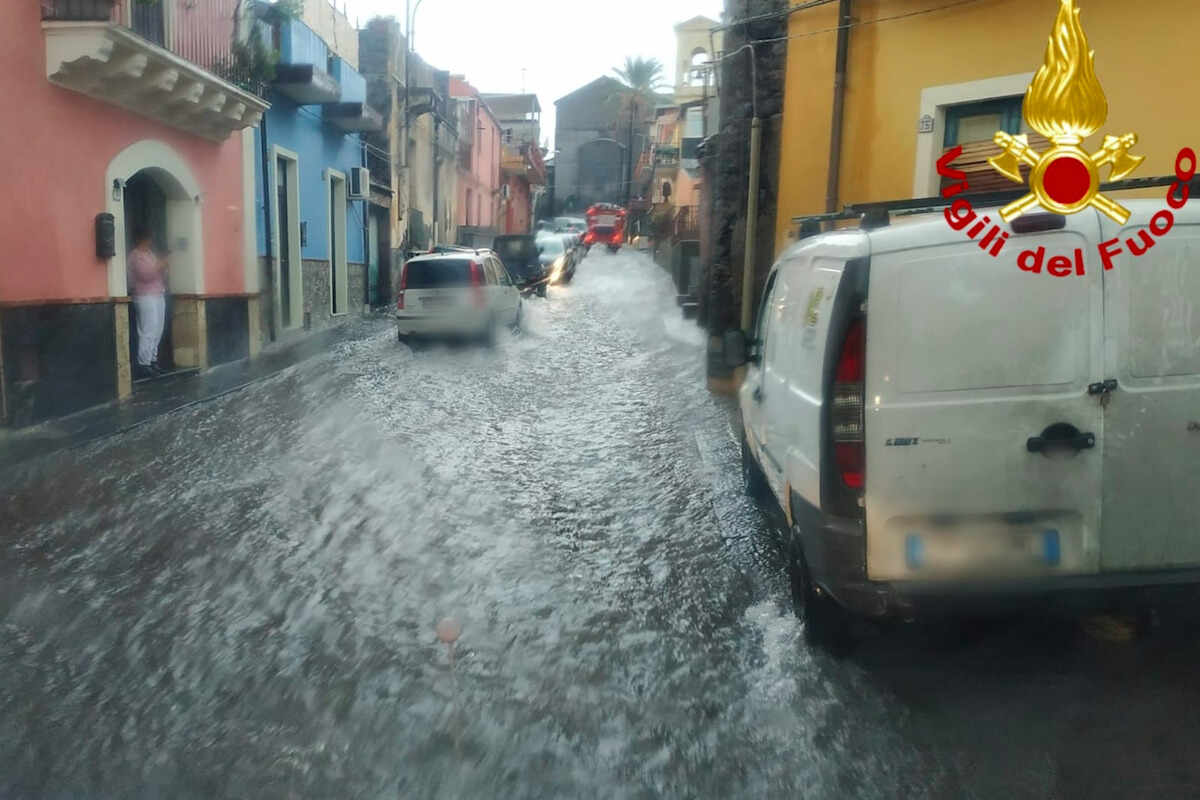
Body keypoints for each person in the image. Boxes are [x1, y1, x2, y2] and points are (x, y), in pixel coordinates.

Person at [127, 226, 168, 379]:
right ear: (140, 239)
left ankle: (152, 360)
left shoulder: (150, 254)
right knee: (148, 329)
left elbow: (159, 273)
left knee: (158, 329)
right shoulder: (136, 256)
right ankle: (143, 363)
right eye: (147, 238)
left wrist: (162, 267)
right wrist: (161, 265)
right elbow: (146, 275)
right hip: (144, 296)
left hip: (157, 294)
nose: (149, 241)